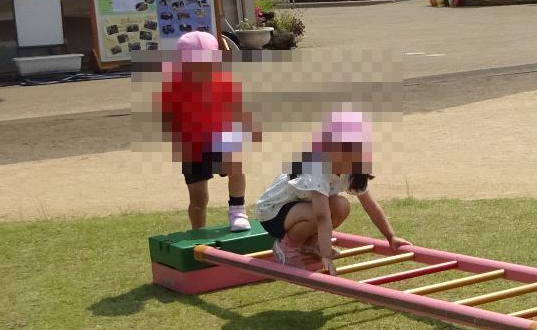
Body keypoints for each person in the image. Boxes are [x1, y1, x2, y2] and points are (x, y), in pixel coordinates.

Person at [254, 111, 409, 273]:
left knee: (342, 205)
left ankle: (310, 242)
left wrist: (391, 236)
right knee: (320, 213)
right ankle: (287, 247)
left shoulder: (354, 170)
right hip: (273, 212)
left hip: (301, 208)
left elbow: (371, 206)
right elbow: (322, 217)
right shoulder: (317, 168)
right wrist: (326, 255)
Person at [158, 30, 256, 230]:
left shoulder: (224, 79)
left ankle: (237, 210)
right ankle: (198, 231)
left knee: (235, 165)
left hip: (222, 133)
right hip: (192, 142)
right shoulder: (174, 83)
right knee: (198, 198)